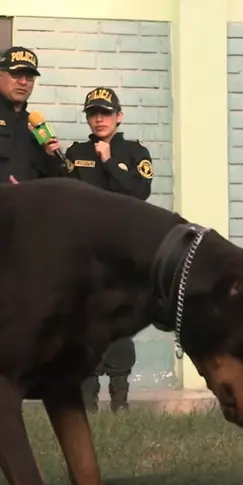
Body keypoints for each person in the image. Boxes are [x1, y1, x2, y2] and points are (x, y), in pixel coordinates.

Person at [66, 87, 153, 412]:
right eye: (93, 113)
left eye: (105, 112)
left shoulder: (134, 152)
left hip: (121, 252)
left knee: (119, 320)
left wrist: (110, 162)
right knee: (84, 322)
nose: (99, 119)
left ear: (119, 116)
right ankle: (86, 402)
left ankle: (120, 401)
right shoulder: (76, 153)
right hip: (85, 252)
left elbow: (139, 192)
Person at [0, 46, 63, 183]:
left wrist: (50, 158)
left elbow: (49, 181)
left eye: (29, 76)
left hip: (26, 203)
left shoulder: (36, 127)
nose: (23, 82)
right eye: (16, 74)